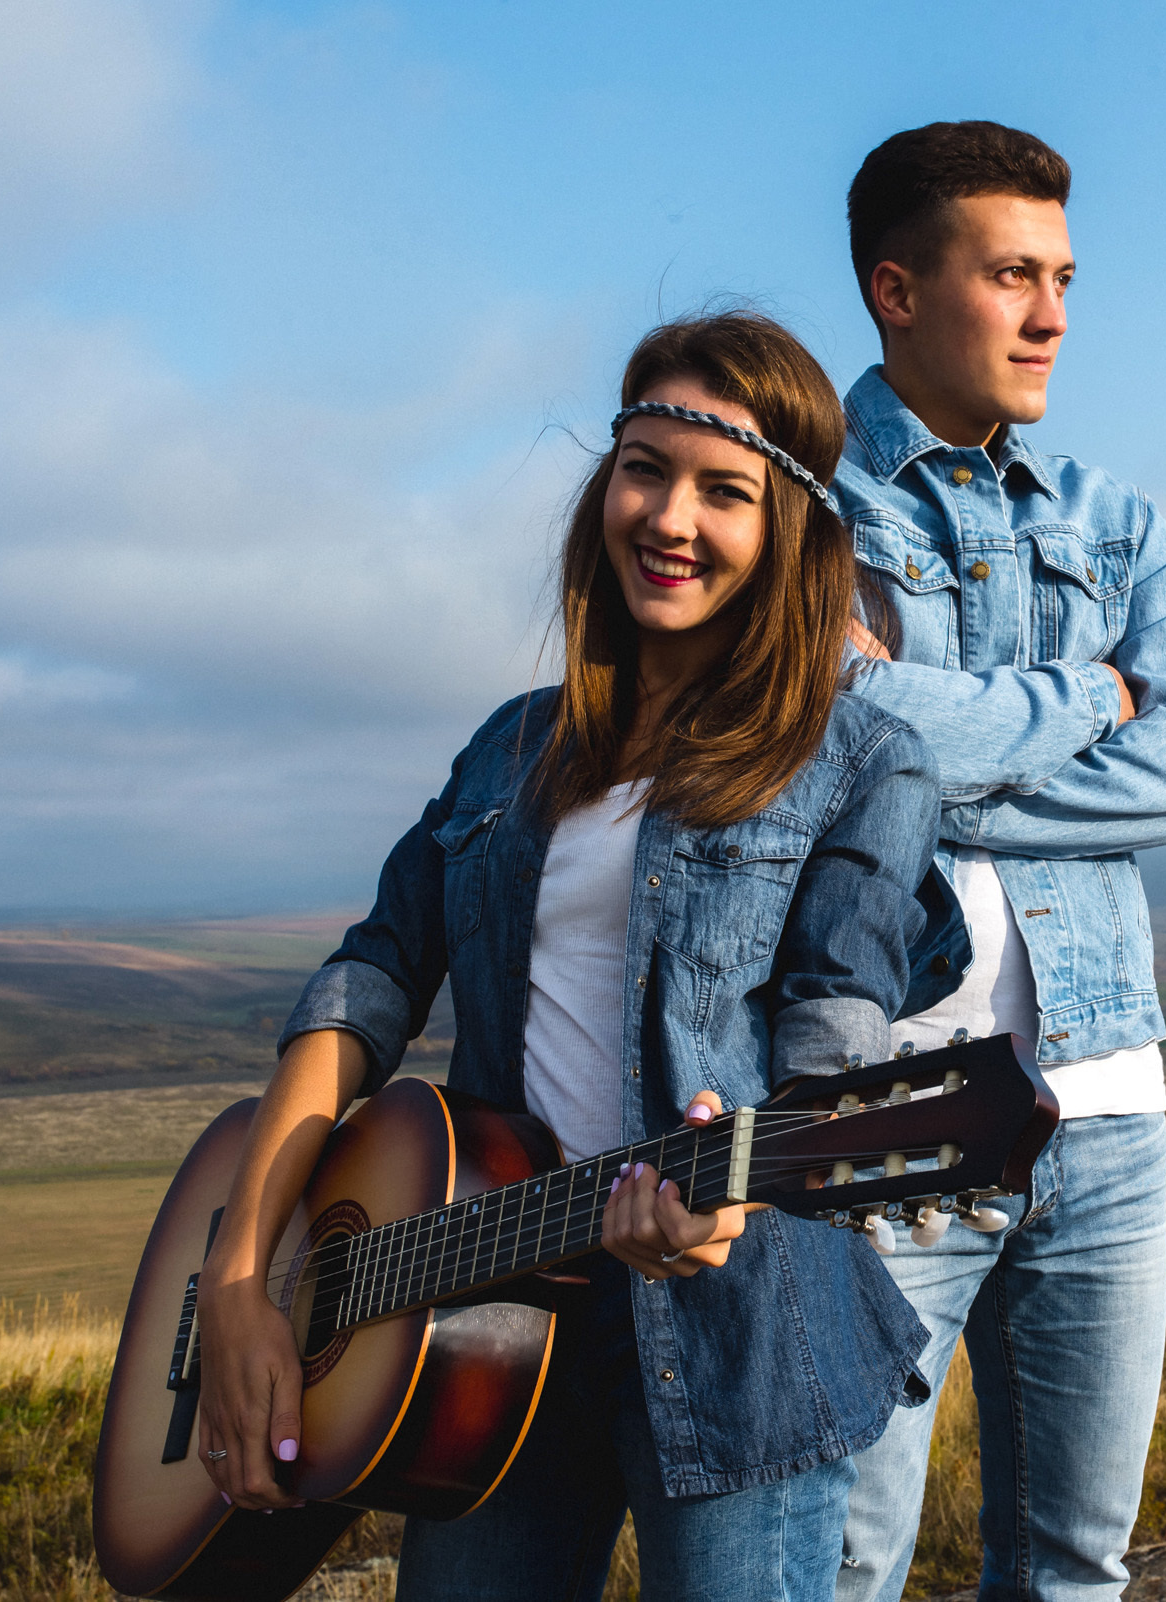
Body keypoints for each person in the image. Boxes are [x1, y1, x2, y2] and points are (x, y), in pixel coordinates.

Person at [192, 312, 969, 1602]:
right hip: (487, 1327)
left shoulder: (862, 761)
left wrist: (740, 1182)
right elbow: (371, 978)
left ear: (792, 531)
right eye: (644, 469)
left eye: (726, 491)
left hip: (745, 1339)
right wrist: (239, 1273)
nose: (671, 518)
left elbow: (835, 1030)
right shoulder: (508, 749)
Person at [829, 124, 1166, 1601]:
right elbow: (825, 741)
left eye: (1063, 276)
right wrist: (1084, 706)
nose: (1053, 314)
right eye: (1011, 274)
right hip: (870, 1116)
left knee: (1075, 1565)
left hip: (1107, 1102)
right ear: (895, 287)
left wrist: (923, 775)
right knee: (843, 1558)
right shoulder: (806, 510)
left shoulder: (1114, 521)